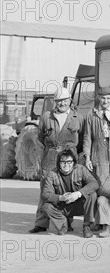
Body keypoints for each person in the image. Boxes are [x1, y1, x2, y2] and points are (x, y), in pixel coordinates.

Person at [29, 87, 85, 234]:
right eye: (59, 101)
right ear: (55, 102)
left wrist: (72, 154)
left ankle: (67, 221)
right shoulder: (47, 117)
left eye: (65, 100)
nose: (62, 103)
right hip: (50, 157)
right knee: (45, 190)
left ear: (70, 101)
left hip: (69, 157)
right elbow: (41, 137)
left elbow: (82, 140)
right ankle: (41, 223)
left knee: (68, 188)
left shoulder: (78, 117)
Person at [41, 149, 99, 237]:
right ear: (58, 163)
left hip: (79, 204)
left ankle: (87, 226)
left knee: (92, 195)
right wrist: (61, 197)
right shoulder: (52, 174)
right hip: (62, 205)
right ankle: (63, 224)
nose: (66, 165)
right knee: (46, 207)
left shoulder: (81, 169)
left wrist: (78, 194)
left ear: (73, 163)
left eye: (69, 162)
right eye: (63, 162)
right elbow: (45, 194)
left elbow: (94, 184)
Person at [83, 86, 110, 184]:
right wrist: (87, 158)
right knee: (101, 182)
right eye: (103, 98)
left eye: (108, 98)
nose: (105, 101)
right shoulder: (91, 114)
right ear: (99, 97)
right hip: (100, 153)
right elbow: (87, 138)